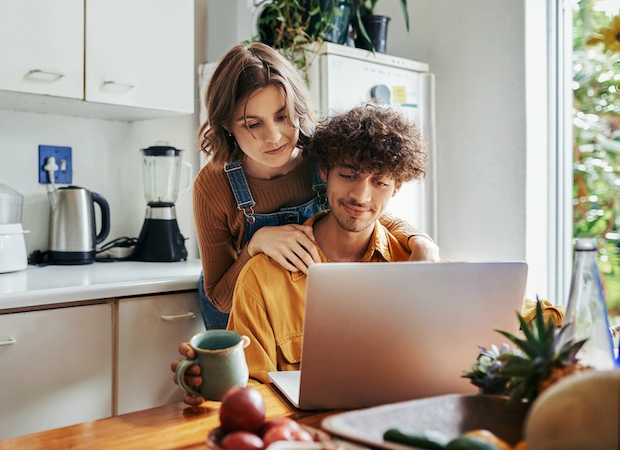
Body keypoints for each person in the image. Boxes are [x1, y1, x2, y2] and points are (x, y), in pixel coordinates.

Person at [173, 104, 432, 403]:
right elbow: (251, 394)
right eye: (348, 175)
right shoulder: (258, 276)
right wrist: (216, 390)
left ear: (397, 187)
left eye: (380, 182)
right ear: (325, 172)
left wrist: (420, 240)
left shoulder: (420, 264)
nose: (361, 195)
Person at [193, 42, 439, 331]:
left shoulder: (320, 156)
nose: (274, 137)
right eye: (252, 124)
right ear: (226, 125)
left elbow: (362, 207)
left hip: (306, 304)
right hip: (242, 312)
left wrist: (419, 240)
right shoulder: (212, 186)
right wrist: (256, 245)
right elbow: (220, 298)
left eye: (282, 116)